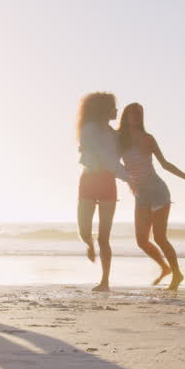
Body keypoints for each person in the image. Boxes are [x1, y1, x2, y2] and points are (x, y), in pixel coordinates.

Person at [118, 103, 185, 290]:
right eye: (130, 113)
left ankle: (177, 273)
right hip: (140, 194)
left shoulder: (148, 138)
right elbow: (112, 162)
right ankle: (165, 268)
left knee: (159, 238)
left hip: (157, 191)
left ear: (141, 117)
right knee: (141, 240)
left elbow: (165, 164)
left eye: (137, 113)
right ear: (125, 116)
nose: (133, 116)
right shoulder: (120, 139)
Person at [76, 92, 131, 291]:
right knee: (84, 231)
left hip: (107, 182)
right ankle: (89, 245)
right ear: (102, 110)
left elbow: (120, 158)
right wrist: (128, 178)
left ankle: (105, 281)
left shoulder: (114, 135)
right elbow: (105, 157)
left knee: (104, 237)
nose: (116, 110)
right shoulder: (88, 130)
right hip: (89, 180)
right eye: (112, 107)